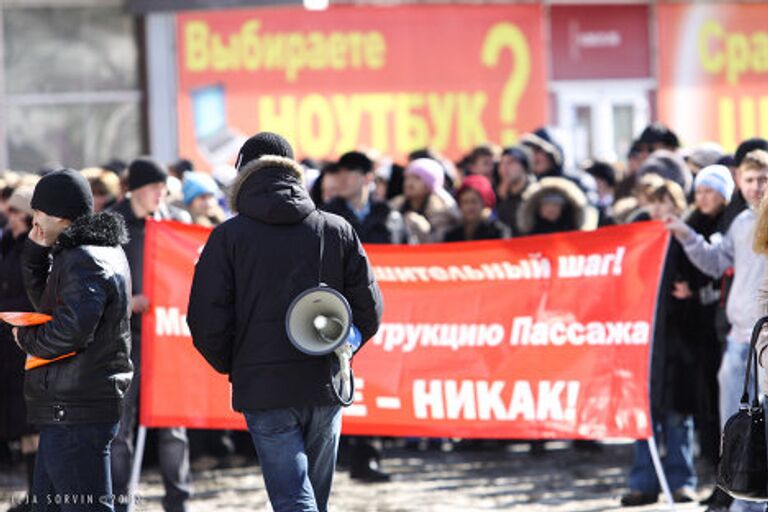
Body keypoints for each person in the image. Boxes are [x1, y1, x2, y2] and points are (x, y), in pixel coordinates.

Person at [187, 132, 383, 512]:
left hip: (263, 387)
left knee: (294, 498)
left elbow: (205, 319)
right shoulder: (335, 228)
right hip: (324, 379)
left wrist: (238, 363)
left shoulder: (227, 238)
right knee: (311, 498)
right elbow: (369, 309)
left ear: (242, 175)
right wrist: (342, 345)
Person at [14, 169, 132, 511]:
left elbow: (72, 330)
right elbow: (49, 304)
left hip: (77, 407)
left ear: (60, 216)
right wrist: (35, 254)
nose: (32, 219)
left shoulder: (85, 258)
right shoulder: (88, 251)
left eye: (38, 212)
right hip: (69, 406)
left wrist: (28, 339)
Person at [665, 149, 768, 512]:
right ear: (739, 181)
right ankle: (739, 496)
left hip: (767, 343)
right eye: (750, 179)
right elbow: (714, 261)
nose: (757, 187)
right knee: (736, 428)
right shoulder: (740, 224)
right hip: (740, 338)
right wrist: (686, 235)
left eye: (764, 179)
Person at [109, 158, 192, 512]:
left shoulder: (175, 221)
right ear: (136, 189)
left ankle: (179, 499)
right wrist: (126, 302)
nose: (162, 194)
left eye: (164, 188)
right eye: (155, 188)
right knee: (120, 425)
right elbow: (94, 280)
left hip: (166, 335)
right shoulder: (112, 224)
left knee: (173, 424)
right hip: (124, 338)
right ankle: (119, 499)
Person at [621, 179, 697, 507]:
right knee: (644, 414)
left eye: (667, 203)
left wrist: (690, 291)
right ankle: (643, 481)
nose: (660, 210)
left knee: (678, 417)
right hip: (646, 340)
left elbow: (701, 277)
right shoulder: (637, 239)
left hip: (679, 341)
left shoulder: (687, 238)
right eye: (655, 203)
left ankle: (681, 481)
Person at [0, 186, 37, 512]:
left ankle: (41, 494)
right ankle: (33, 493)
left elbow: (32, 297)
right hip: (8, 348)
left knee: (34, 427)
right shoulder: (9, 246)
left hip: (25, 342)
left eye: (13, 211)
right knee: (22, 429)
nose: (8, 216)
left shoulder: (32, 249)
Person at [323, 151, 406, 244]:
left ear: (367, 178)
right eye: (339, 173)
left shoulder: (388, 216)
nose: (342, 179)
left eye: (349, 173)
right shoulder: (327, 216)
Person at [389, 158, 459, 244]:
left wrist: (423, 230)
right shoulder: (394, 206)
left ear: (429, 185)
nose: (409, 183)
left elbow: (441, 247)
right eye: (408, 177)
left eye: (417, 178)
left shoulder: (442, 213)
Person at [444, 175, 509, 242]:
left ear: (483, 203)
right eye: (465, 202)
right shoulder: (452, 236)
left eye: (474, 201)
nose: (470, 207)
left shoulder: (497, 232)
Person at [495, 145, 533, 235]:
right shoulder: (499, 197)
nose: (504, 168)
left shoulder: (536, 196)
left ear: (524, 166)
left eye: (511, 162)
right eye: (502, 163)